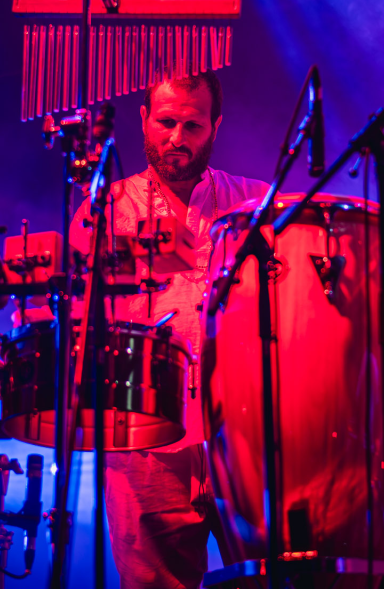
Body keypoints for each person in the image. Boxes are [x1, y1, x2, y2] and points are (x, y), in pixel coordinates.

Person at [68, 70, 268, 588]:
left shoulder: (258, 205)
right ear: (143, 119)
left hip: (249, 434)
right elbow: (80, 326)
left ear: (215, 127)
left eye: (193, 125)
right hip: (144, 439)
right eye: (165, 122)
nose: (177, 138)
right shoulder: (103, 210)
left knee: (277, 578)